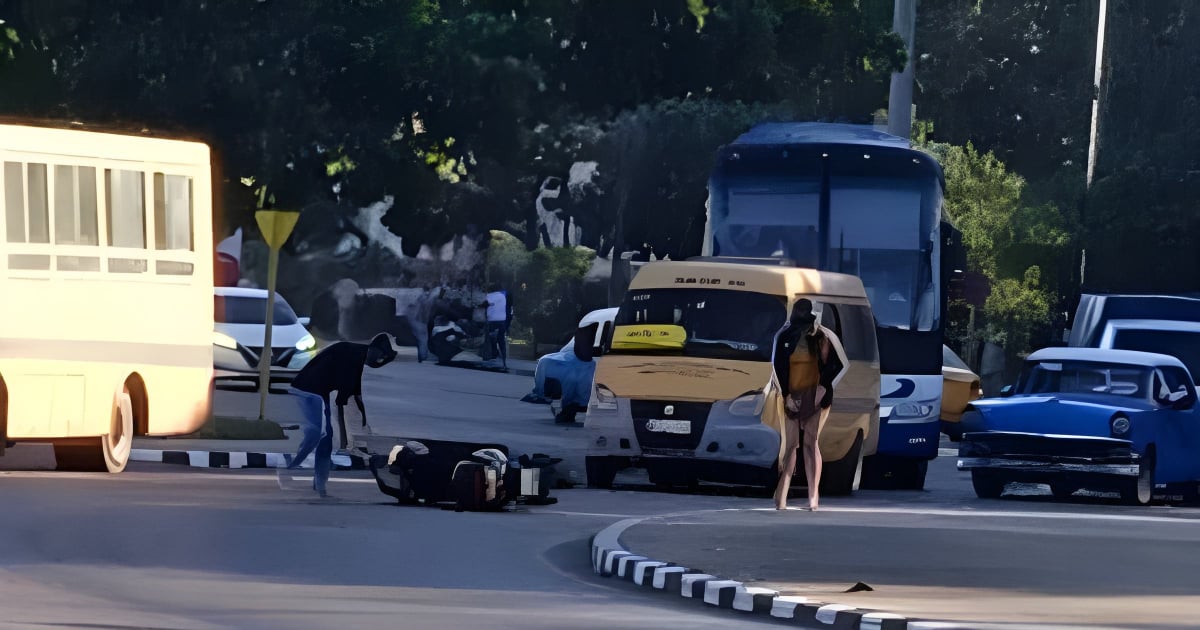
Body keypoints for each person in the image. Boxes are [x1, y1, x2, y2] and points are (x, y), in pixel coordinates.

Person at [279, 333, 398, 497]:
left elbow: (356, 396)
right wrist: (344, 442)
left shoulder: (357, 356)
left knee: (323, 439)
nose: (380, 360)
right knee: (320, 435)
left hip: (319, 393)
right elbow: (342, 402)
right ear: (374, 349)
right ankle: (293, 467)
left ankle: (318, 485)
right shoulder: (353, 358)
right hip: (308, 391)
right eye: (381, 356)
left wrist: (365, 423)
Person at [772, 299, 849, 511]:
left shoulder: (823, 337)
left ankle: (813, 497)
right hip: (792, 395)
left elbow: (839, 365)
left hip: (816, 395)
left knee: (811, 442)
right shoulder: (786, 336)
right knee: (791, 445)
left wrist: (823, 388)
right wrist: (786, 394)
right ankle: (782, 498)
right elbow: (777, 367)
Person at [480, 283, 508, 370]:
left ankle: (492, 358)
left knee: (489, 340)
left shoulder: (491, 295)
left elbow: (485, 303)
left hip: (492, 321)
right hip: (502, 321)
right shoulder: (502, 296)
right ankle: (503, 360)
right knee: (501, 341)